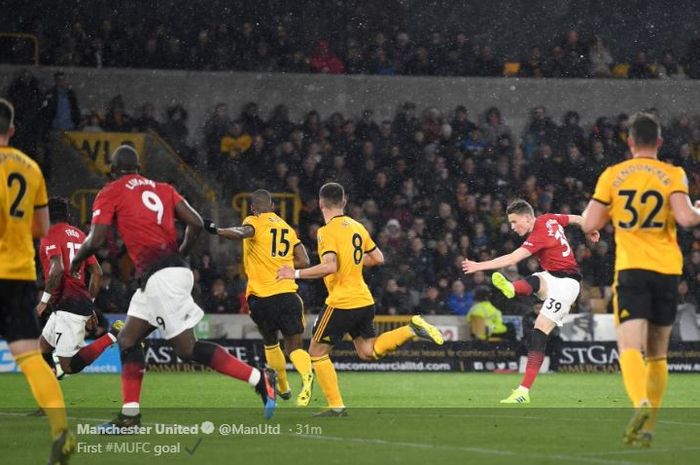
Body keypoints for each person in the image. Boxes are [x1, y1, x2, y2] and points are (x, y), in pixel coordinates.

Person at [69, 145, 277, 429]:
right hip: (162, 275)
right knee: (128, 340)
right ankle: (129, 418)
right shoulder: (163, 188)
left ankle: (258, 379)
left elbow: (96, 239)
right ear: (139, 168)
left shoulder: (112, 190)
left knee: (187, 349)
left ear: (114, 170)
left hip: (161, 278)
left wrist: (75, 261)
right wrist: (180, 252)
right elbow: (195, 222)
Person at [582, 112, 700, 446]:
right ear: (659, 142)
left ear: (629, 141)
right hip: (666, 270)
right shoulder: (672, 173)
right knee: (658, 353)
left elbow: (590, 221)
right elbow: (685, 217)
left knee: (630, 348)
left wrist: (607, 215)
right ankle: (649, 429)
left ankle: (640, 403)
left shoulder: (614, 175)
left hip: (632, 270)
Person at [277, 182, 444, 416]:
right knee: (367, 351)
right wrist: (351, 261)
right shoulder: (357, 226)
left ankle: (336, 406)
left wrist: (293, 273)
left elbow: (329, 266)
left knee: (316, 352)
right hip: (364, 299)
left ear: (320, 203)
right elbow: (378, 258)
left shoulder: (326, 231)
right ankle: (411, 329)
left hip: (342, 301)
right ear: (344, 202)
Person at [462, 199, 599, 403]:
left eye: (514, 222)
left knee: (539, 330)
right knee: (538, 278)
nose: (512, 227)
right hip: (554, 276)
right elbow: (577, 218)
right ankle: (512, 288)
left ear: (527, 217)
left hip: (567, 286)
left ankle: (523, 391)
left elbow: (512, 258)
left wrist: (479, 266)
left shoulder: (539, 235)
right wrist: (590, 229)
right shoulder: (549, 219)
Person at [0, 98, 75, 464]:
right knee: (30, 357)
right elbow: (41, 228)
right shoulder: (30, 168)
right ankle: (61, 432)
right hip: (17, 273)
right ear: (11, 130)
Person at [204, 189, 315, 407]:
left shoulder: (254, 220)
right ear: (273, 206)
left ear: (254, 208)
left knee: (271, 342)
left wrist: (217, 230)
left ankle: (283, 386)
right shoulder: (286, 228)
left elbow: (243, 232)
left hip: (262, 297)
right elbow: (305, 260)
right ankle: (306, 374)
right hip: (288, 294)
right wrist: (282, 265)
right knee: (294, 348)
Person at [37, 197, 122, 379]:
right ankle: (51, 396)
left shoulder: (49, 234)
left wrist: (43, 301)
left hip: (68, 306)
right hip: (71, 304)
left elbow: (57, 269)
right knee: (43, 347)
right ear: (67, 214)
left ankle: (113, 335)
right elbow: (97, 272)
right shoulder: (80, 235)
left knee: (68, 366)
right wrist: (89, 305)